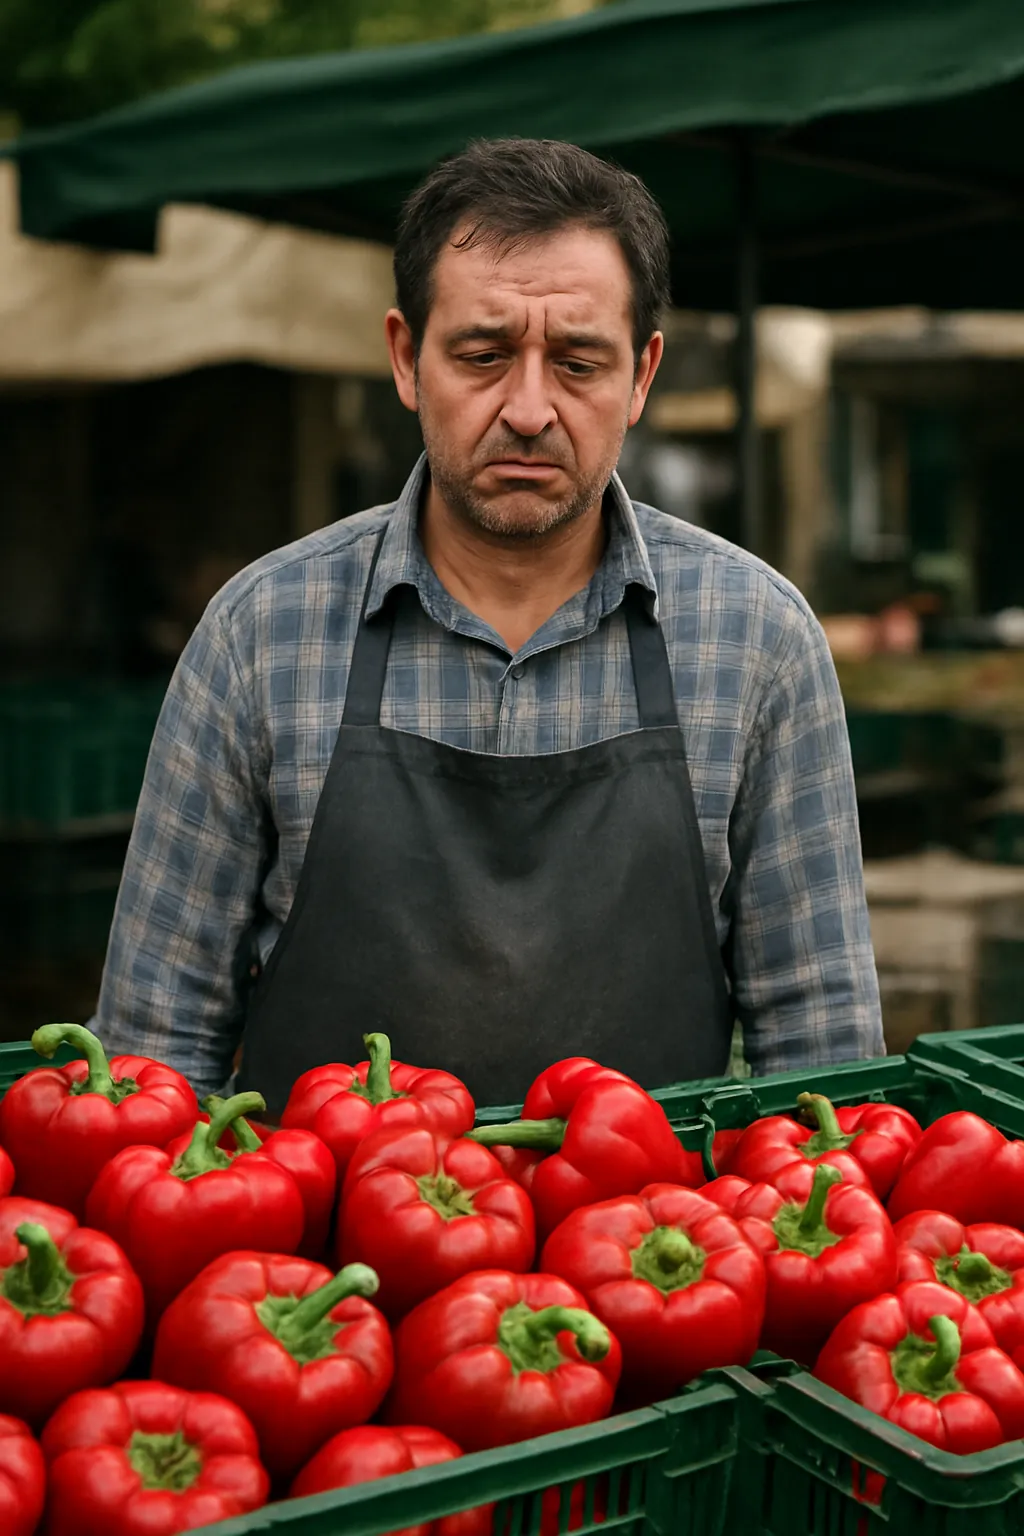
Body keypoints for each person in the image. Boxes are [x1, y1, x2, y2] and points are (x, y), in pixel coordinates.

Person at [94, 138, 883, 1113]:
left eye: (578, 361)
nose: (527, 408)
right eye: (482, 354)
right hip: (315, 1260)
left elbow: (824, 1070)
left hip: (662, 1253)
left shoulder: (757, 640)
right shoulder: (260, 634)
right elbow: (153, 1054)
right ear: (403, 358)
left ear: (641, 376)